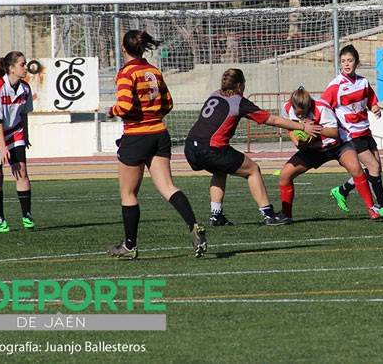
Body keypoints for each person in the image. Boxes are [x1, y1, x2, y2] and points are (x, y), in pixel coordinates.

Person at [106, 30, 206, 260]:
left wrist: (111, 112)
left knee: (128, 193)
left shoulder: (126, 73)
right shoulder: (153, 70)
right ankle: (194, 225)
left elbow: (125, 105)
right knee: (168, 187)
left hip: (136, 136)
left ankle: (129, 245)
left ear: (124, 49)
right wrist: (153, 115)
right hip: (159, 133)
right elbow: (168, 103)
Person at [184, 68, 322, 227]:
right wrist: (302, 127)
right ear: (239, 85)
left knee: (220, 170)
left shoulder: (214, 94)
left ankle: (216, 216)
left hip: (191, 147)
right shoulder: (239, 101)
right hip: (212, 149)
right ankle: (269, 214)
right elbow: (272, 120)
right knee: (253, 170)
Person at [278, 87, 381, 220]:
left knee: (355, 168)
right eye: (298, 115)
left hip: (337, 145)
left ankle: (371, 207)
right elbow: (290, 128)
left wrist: (315, 128)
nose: (301, 117)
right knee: (285, 174)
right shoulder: (287, 108)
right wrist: (300, 144)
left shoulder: (321, 108)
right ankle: (286, 215)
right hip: (313, 149)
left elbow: (334, 133)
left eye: (303, 113)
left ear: (309, 106)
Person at [321, 45, 383, 218]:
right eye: (343, 61)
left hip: (365, 131)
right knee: (374, 167)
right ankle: (382, 206)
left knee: (375, 169)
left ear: (357, 62)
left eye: (350, 60)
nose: (346, 64)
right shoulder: (336, 85)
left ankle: (342, 190)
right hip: (350, 134)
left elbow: (370, 99)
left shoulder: (362, 82)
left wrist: (375, 107)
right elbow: (323, 107)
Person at [0, 51, 35, 233]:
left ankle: (27, 215)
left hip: (14, 133)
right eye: (22, 64)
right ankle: (0, 218)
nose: (26, 68)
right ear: (11, 68)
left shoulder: (25, 88)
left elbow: (23, 113)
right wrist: (3, 148)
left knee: (21, 172)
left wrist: (25, 135)